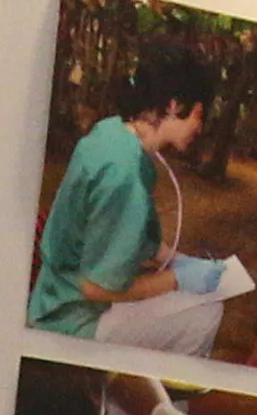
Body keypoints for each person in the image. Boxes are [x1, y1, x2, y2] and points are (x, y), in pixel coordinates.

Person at [30, 51, 222, 349]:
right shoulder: (124, 173)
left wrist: (178, 260)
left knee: (197, 299)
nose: (201, 127)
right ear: (174, 105)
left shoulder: (112, 132)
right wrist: (177, 280)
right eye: (200, 114)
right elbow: (95, 288)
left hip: (54, 294)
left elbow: (129, 234)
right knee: (206, 313)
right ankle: (154, 393)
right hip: (72, 318)